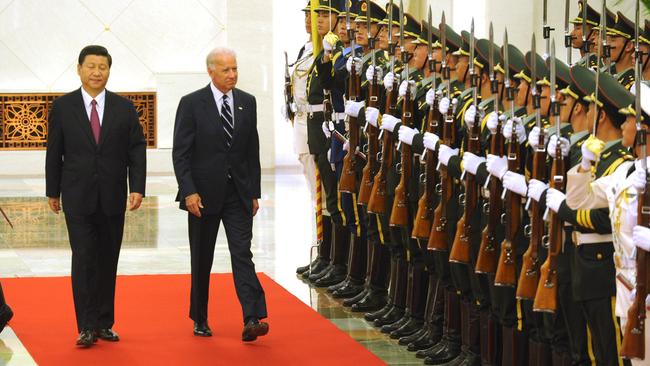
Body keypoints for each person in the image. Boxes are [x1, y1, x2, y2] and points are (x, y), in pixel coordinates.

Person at [45, 45, 147, 347]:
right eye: (90, 66)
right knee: (84, 258)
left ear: (109, 71)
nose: (96, 72)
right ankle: (86, 325)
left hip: (113, 196)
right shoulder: (63, 108)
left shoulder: (124, 108)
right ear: (79, 69)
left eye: (102, 67)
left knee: (107, 259)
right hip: (77, 196)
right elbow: (55, 152)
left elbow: (136, 150)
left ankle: (104, 322)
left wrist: (137, 186)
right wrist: (53, 190)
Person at [172, 47, 268, 342]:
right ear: (211, 71)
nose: (232, 75)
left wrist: (253, 192)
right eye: (226, 70)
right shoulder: (191, 104)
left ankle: (253, 317)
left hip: (237, 194)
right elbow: (181, 154)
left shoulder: (246, 102)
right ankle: (200, 317)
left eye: (235, 69)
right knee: (202, 258)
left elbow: (252, 151)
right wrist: (189, 192)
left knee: (242, 253)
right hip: (202, 196)